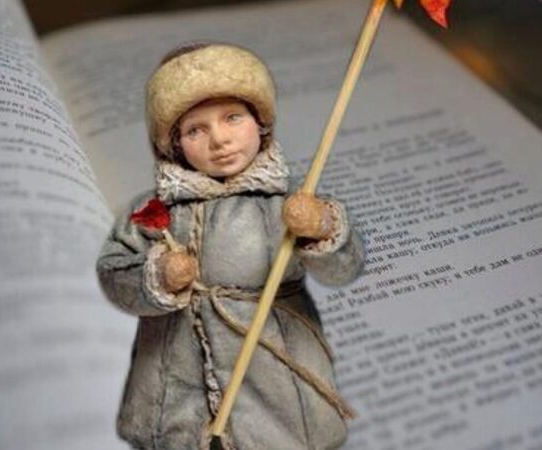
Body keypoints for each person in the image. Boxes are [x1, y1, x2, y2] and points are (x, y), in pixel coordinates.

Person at [96, 42, 364, 450]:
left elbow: (344, 268)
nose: (219, 140)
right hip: (176, 381)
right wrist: (158, 275)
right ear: (174, 144)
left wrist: (321, 228)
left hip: (275, 376)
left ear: (260, 123)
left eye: (232, 117)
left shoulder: (291, 202)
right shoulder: (153, 210)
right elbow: (114, 272)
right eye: (195, 130)